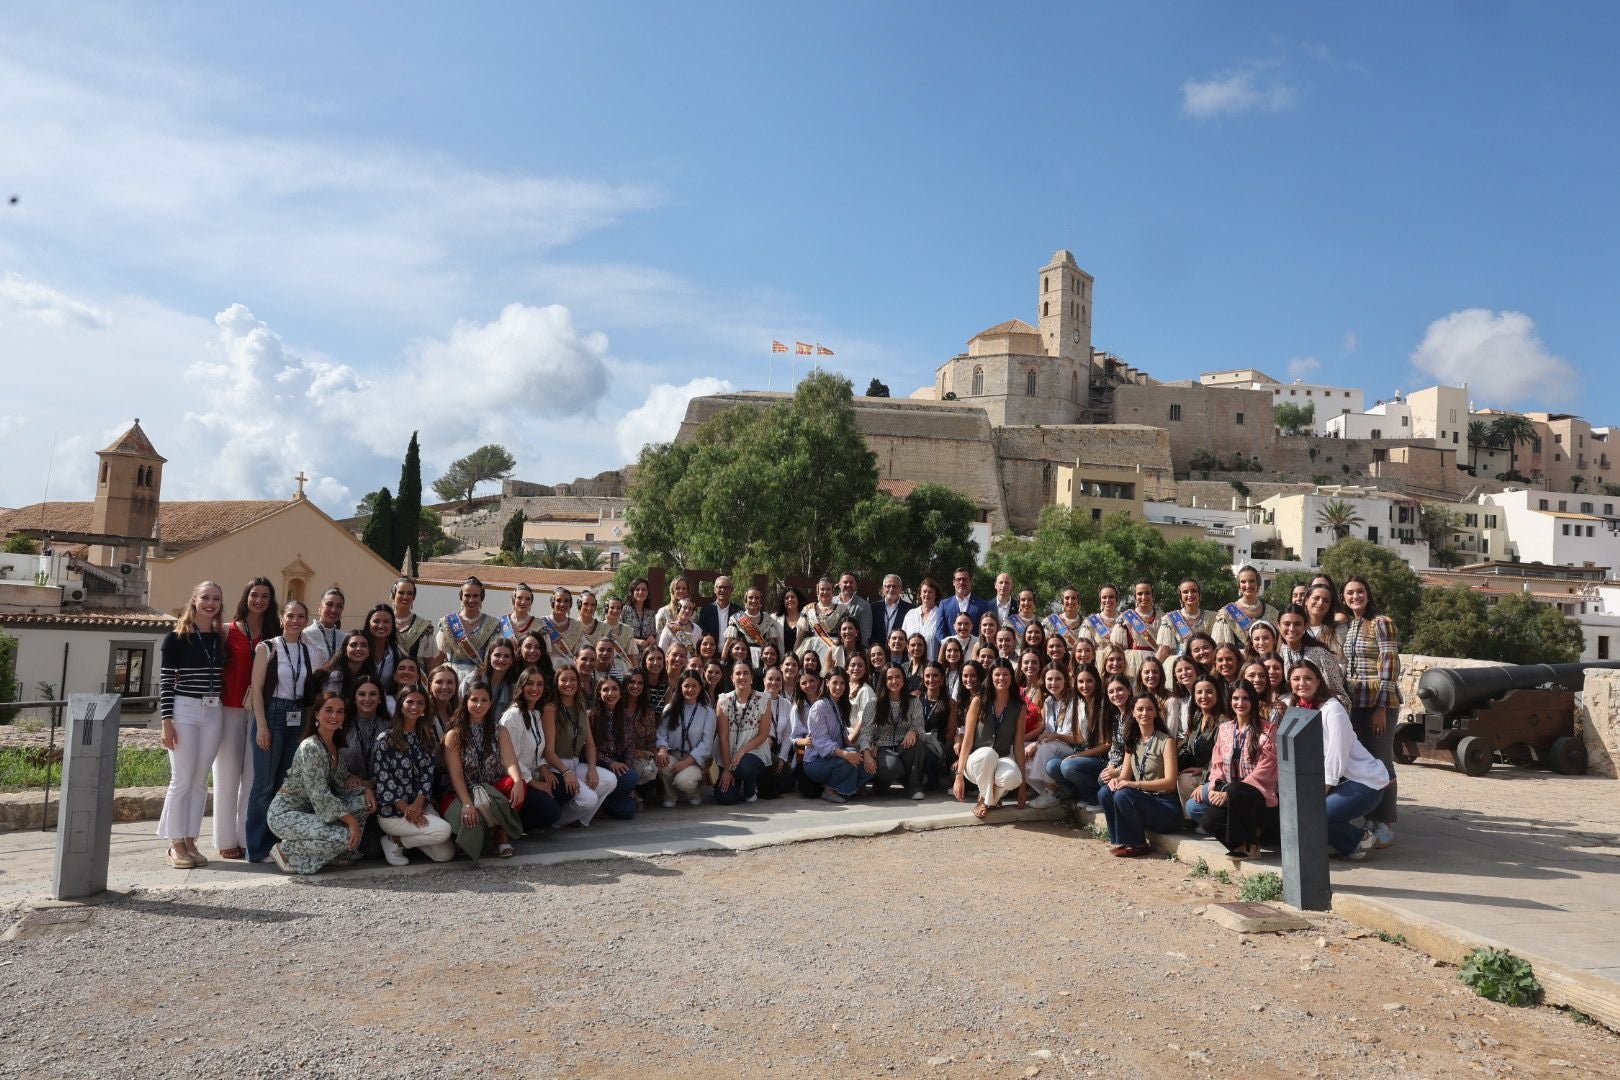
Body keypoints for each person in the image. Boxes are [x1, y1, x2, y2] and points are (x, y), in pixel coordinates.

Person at [156, 581, 228, 870]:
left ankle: (190, 839)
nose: (211, 603)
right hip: (184, 709)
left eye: (216, 599)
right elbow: (165, 682)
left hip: (214, 711)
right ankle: (175, 844)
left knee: (200, 781)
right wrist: (166, 722)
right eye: (206, 598)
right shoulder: (175, 638)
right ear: (194, 600)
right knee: (182, 779)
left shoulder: (219, 637)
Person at [1289, 658, 1389, 859]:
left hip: (1363, 782)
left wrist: (1322, 789)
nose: (1302, 683)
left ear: (1318, 681)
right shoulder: (1299, 709)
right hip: (1339, 782)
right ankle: (1343, 843)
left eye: (1308, 678)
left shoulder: (1332, 709)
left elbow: (1337, 753)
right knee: (1299, 814)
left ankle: (1359, 839)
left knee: (1314, 814)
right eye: (1296, 679)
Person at [265, 692, 375, 874]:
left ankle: (339, 853)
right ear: (316, 714)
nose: (334, 716)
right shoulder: (311, 747)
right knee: (343, 835)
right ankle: (285, 851)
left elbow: (340, 786)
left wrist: (364, 791)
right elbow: (320, 796)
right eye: (329, 710)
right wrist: (352, 822)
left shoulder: (335, 748)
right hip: (286, 814)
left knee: (364, 803)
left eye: (340, 712)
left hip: (312, 812)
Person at [244, 600, 316, 864]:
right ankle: (256, 847)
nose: (295, 621)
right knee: (264, 784)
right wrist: (261, 726)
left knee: (284, 785)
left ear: (306, 620)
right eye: (291, 616)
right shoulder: (268, 647)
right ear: (282, 618)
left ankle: (276, 843)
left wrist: (307, 729)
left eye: (300, 616)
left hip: (296, 718)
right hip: (272, 714)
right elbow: (257, 688)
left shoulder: (307, 650)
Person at [214, 577, 277, 861]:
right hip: (229, 708)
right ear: (246, 597)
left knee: (253, 779)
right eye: (255, 594)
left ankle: (245, 837)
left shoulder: (274, 634)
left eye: (265, 596)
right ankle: (225, 839)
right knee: (226, 776)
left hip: (260, 712)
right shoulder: (228, 631)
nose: (259, 600)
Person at [1342, 575, 1402, 849]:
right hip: (1356, 702)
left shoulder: (1381, 623)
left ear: (1368, 594)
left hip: (1379, 702)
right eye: (1350, 593)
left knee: (1381, 760)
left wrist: (1381, 708)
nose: (1356, 597)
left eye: (1360, 592)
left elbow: (1389, 663)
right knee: (1363, 762)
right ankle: (1370, 817)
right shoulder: (1349, 625)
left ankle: (1386, 822)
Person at [1190, 682, 1277, 859]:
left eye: (1245, 698)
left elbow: (1266, 769)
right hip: (1230, 791)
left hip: (1258, 797)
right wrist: (1215, 786)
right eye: (1235, 698)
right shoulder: (1225, 729)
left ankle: (1251, 841)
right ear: (1229, 701)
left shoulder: (1268, 730)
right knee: (1208, 822)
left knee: (1237, 790)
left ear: (1253, 701)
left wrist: (1229, 792)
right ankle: (1243, 846)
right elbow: (1217, 764)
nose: (1240, 703)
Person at [371, 686, 456, 865]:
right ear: (401, 705)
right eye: (410, 701)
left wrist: (417, 805)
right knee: (443, 831)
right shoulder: (385, 739)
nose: (414, 707)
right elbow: (383, 779)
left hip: (419, 806)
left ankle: (398, 842)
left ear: (425, 708)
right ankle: (394, 838)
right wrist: (406, 809)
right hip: (393, 812)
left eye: (420, 703)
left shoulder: (426, 737)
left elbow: (428, 774)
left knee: (445, 855)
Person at [441, 681, 525, 860]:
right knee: (468, 820)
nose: (479, 705)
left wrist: (518, 781)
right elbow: (455, 775)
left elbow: (510, 762)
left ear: (491, 703)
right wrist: (467, 803)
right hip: (460, 792)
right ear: (466, 702)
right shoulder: (454, 735)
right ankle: (484, 831)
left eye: (484, 700)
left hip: (491, 788)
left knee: (516, 784)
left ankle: (500, 833)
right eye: (474, 700)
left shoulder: (499, 731)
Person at [1098, 694, 1181, 857]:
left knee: (1124, 793)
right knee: (1106, 792)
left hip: (1165, 807)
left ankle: (1138, 844)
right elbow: (1124, 776)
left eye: (1150, 709)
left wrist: (1134, 784)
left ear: (1156, 713)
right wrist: (1115, 781)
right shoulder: (1132, 740)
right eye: (1140, 709)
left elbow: (1170, 783)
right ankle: (1122, 840)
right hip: (1144, 801)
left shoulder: (1166, 741)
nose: (1145, 713)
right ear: (1133, 713)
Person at [498, 666, 570, 834]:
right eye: (530, 684)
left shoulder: (535, 714)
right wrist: (535, 784)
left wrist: (544, 768)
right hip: (518, 779)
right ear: (521, 686)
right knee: (552, 812)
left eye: (540, 684)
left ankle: (538, 814)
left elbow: (538, 749)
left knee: (566, 788)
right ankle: (517, 824)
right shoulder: (513, 716)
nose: (535, 689)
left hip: (534, 773)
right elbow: (510, 759)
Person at [953, 658, 1027, 819]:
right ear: (990, 677)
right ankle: (985, 801)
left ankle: (990, 798)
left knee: (1014, 777)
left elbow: (1019, 745)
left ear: (1011, 677)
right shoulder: (978, 701)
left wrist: (1022, 785)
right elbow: (967, 740)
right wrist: (959, 776)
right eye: (997, 675)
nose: (1001, 678)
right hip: (977, 761)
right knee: (988, 753)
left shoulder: (1019, 707)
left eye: (1005, 674)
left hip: (1001, 758)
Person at [544, 665, 617, 826]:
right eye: (564, 680)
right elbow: (548, 752)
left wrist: (592, 768)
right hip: (557, 766)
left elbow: (590, 744)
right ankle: (557, 820)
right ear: (556, 683)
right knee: (589, 800)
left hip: (576, 762)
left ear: (578, 683)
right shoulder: (551, 709)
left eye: (572, 679)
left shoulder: (581, 707)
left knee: (610, 780)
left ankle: (578, 817)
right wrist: (566, 772)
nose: (568, 683)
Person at [798, 668, 874, 803]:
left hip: (835, 758)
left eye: (843, 683)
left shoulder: (839, 706)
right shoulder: (819, 707)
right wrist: (847, 754)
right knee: (849, 758)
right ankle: (830, 789)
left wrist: (864, 751)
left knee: (868, 761)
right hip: (815, 762)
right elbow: (822, 743)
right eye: (835, 683)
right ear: (827, 683)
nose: (839, 687)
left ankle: (845, 788)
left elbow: (845, 740)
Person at [862, 662, 927, 799]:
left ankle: (913, 788)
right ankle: (881, 783)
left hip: (904, 744)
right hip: (882, 747)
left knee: (918, 743)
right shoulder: (874, 703)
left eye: (898, 677)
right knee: (892, 767)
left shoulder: (914, 702)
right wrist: (867, 754)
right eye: (889, 678)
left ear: (904, 679)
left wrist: (913, 731)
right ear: (884, 681)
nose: (894, 681)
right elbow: (866, 733)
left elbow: (920, 726)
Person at [1048, 665, 1109, 805]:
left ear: (1096, 682)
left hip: (1102, 758)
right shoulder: (1080, 702)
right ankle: (1079, 793)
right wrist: (1057, 735)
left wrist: (1080, 755)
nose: (1085, 685)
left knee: (1068, 766)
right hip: (1085, 754)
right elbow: (1080, 738)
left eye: (1089, 681)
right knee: (1052, 766)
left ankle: (1095, 797)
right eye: (1081, 682)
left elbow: (1107, 744)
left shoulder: (1104, 704)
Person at [1024, 664, 1081, 808]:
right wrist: (1034, 744)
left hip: (1074, 749)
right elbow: (1047, 732)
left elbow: (1079, 738)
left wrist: (1055, 736)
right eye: (1050, 679)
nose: (1053, 683)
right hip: (1053, 747)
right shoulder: (1049, 701)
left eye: (1058, 679)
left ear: (1065, 680)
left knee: (1047, 746)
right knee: (1022, 757)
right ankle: (1056, 792)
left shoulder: (1076, 700)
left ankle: (1050, 793)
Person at [655, 670, 715, 806]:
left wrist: (687, 762)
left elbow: (706, 744)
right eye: (686, 686)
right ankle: (670, 796)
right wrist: (663, 750)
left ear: (700, 688)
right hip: (674, 754)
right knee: (662, 763)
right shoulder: (670, 709)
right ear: (680, 687)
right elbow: (661, 734)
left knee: (683, 781)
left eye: (694, 686)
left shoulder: (707, 712)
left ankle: (695, 793)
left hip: (695, 759)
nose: (690, 689)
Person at [715, 662, 772, 805]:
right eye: (738, 673)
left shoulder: (764, 699)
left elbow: (763, 735)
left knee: (745, 767)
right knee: (724, 798)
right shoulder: (723, 700)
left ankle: (750, 787)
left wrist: (741, 752)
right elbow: (723, 738)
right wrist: (727, 770)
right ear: (732, 678)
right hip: (728, 756)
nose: (742, 677)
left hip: (753, 752)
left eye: (746, 673)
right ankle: (736, 782)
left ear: (752, 677)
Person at [1277, 605, 1350, 709]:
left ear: (1306, 626)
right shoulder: (1283, 651)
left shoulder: (1321, 654)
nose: (1291, 629)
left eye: (1297, 624)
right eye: (1287, 624)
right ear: (1278, 626)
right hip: (1297, 711)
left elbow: (1340, 695)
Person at [590, 676, 643, 819]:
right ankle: (599, 802)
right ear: (599, 695)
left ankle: (604, 802)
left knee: (628, 811)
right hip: (599, 763)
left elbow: (630, 747)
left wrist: (629, 781)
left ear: (620, 693)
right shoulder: (592, 716)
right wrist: (610, 762)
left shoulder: (625, 716)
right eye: (605, 690)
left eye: (614, 689)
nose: (610, 693)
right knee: (631, 778)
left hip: (618, 764)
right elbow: (588, 748)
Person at [1175, 675, 1225, 812]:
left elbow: (1221, 756)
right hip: (1200, 772)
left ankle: (1198, 817)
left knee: (1185, 778)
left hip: (1216, 777)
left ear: (1217, 694)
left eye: (1209, 692)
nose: (1204, 696)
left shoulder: (1223, 721)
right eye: (1199, 692)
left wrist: (1203, 772)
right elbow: (1186, 745)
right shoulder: (1197, 717)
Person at [436, 577, 498, 679]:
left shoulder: (492, 624)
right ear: (461, 597)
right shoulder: (448, 622)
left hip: (478, 679)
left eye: (475, 596)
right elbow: (439, 657)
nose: (471, 600)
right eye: (467, 595)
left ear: (481, 597)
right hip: (451, 678)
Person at [1213, 565, 1279, 651]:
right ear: (1239, 586)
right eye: (1243, 582)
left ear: (1258, 584)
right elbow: (1218, 646)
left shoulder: (1272, 612)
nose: (1247, 585)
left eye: (1252, 581)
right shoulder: (1227, 612)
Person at [1112, 580, 1162, 678]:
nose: (1144, 597)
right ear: (1135, 596)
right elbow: (1117, 647)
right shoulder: (1125, 618)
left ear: (1153, 595)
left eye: (1147, 593)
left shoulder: (1163, 618)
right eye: (1140, 594)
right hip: (1132, 664)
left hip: (1157, 662)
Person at [797, 577, 848, 662]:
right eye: (822, 589)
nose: (825, 592)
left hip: (834, 650)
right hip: (811, 649)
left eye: (828, 589)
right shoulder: (808, 609)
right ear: (818, 591)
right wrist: (795, 653)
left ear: (832, 591)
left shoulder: (842, 610)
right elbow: (799, 636)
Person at [391, 576, 438, 667]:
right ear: (394, 594)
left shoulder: (424, 626)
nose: (405, 597)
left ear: (414, 597)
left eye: (409, 593)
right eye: (401, 592)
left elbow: (429, 662)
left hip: (414, 676)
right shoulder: (384, 622)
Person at [318, 630, 374, 700]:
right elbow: (332, 702)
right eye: (353, 645)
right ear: (345, 650)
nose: (359, 648)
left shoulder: (371, 673)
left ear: (369, 651)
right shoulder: (336, 675)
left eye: (363, 645)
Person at [471, 637, 520, 716]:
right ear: (490, 657)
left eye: (506, 656)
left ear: (512, 660)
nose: (501, 659)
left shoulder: (513, 688)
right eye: (497, 655)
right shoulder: (472, 679)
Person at [902, 577, 947, 660]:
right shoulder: (910, 614)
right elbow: (903, 639)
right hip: (912, 664)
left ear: (935, 595)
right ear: (920, 594)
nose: (927, 594)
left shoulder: (941, 614)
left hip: (932, 665)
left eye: (930, 592)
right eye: (924, 591)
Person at [939, 566, 990, 636]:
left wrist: (977, 645)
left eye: (965, 579)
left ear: (971, 581)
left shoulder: (982, 604)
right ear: (953, 582)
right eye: (958, 579)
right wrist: (949, 645)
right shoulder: (944, 605)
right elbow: (939, 631)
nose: (961, 582)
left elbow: (985, 629)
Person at [305, 587, 347, 668]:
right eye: (329, 604)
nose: (334, 610)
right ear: (319, 607)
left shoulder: (344, 638)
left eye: (339, 606)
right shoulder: (305, 635)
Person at [362, 603, 404, 687]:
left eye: (386, 622)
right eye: (376, 621)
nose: (381, 626)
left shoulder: (397, 654)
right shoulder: (359, 650)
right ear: (368, 623)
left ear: (392, 625)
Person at [696, 576, 743, 645]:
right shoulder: (706, 611)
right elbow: (703, 633)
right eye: (720, 587)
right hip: (711, 653)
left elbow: (741, 634)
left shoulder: (739, 611)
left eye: (726, 587)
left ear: (731, 590)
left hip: (732, 653)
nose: (723, 590)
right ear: (715, 590)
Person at [1305, 583, 1346, 662]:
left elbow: (1343, 662)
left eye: (1326, 601)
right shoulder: (1296, 628)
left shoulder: (1340, 630)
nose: (1320, 603)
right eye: (1316, 598)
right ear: (1306, 600)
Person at [623, 578, 660, 657]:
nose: (641, 592)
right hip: (629, 654)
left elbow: (654, 634)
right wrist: (636, 641)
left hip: (646, 655)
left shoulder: (651, 613)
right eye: (637, 589)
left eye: (644, 590)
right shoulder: (625, 610)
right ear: (632, 592)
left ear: (647, 593)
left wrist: (652, 638)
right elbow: (619, 633)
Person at [836, 571, 873, 647]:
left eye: (851, 582)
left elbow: (865, 634)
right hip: (832, 648)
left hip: (854, 651)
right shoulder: (831, 603)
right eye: (845, 582)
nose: (848, 585)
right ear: (839, 584)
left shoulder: (864, 606)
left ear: (855, 585)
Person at [875, 574, 913, 641]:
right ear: (883, 589)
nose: (891, 589)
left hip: (899, 649)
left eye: (894, 586)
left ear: (900, 589)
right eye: (888, 586)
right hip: (878, 649)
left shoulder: (909, 610)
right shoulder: (874, 608)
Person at [776, 584, 805, 656]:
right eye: (787, 598)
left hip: (801, 661)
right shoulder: (775, 618)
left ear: (798, 599)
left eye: (793, 597)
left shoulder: (806, 618)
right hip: (780, 661)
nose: (790, 599)